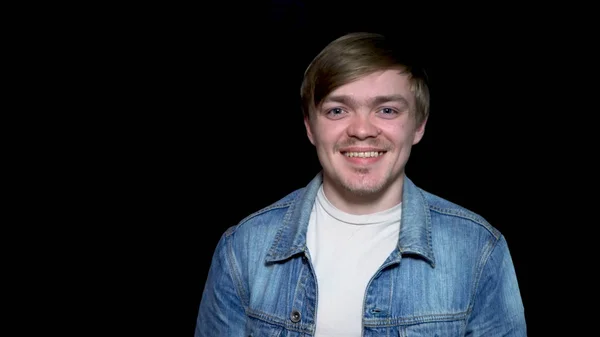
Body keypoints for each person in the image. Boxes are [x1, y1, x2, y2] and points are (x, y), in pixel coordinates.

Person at [195, 32, 526, 336]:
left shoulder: (478, 249)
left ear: (418, 126)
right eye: (338, 110)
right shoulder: (243, 247)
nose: (362, 130)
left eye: (386, 110)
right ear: (310, 127)